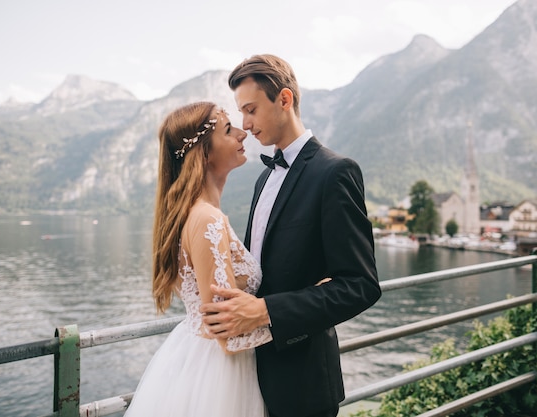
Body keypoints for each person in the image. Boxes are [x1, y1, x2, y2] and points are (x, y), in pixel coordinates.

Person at [200, 54, 382, 417]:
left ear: (284, 99)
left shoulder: (336, 173)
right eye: (241, 114)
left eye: (251, 110)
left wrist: (265, 310)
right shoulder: (263, 179)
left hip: (303, 382)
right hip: (248, 376)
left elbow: (360, 285)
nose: (246, 125)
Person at [124, 102, 272, 417]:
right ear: (204, 153)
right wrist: (296, 313)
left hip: (194, 359)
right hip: (221, 373)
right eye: (229, 130)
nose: (243, 132)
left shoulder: (189, 214)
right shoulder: (207, 220)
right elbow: (227, 335)